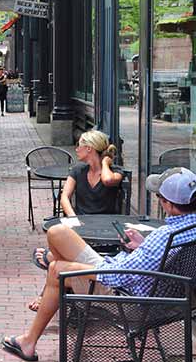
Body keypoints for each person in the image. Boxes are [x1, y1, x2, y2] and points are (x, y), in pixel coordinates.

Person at [1, 168, 196, 361]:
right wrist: (143, 246)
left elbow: (122, 276)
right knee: (58, 232)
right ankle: (56, 279)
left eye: (159, 198)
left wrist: (78, 268)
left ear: (170, 205)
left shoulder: (167, 235)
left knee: (56, 270)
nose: (159, 201)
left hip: (129, 297)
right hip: (165, 291)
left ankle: (29, 342)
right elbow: (169, 261)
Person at [29, 130, 124, 311]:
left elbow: (108, 180)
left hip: (105, 235)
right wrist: (73, 217)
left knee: (58, 257)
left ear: (89, 149)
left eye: (80, 145)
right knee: (63, 244)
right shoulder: (78, 170)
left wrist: (104, 162)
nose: (76, 148)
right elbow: (65, 196)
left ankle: (49, 262)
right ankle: (51, 264)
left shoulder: (115, 172)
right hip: (81, 229)